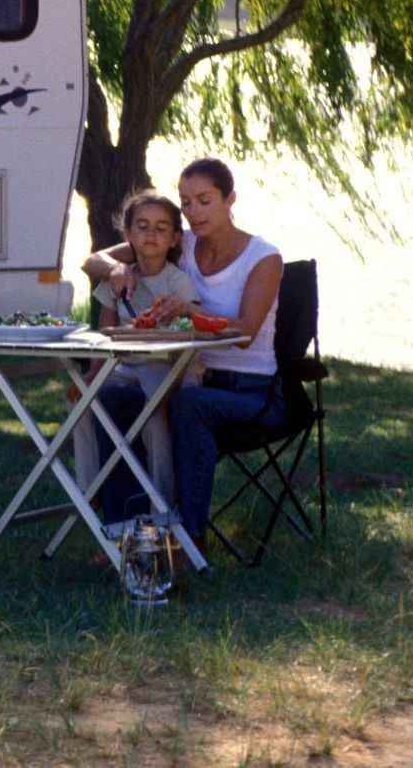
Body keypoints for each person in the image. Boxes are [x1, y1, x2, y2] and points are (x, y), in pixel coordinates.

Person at [82, 158, 283, 547]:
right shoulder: (182, 241)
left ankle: (187, 538)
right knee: (114, 399)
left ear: (230, 200)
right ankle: (125, 529)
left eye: (204, 200)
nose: (193, 212)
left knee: (186, 405)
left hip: (249, 389)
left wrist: (188, 309)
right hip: (186, 372)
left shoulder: (263, 258)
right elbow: (94, 260)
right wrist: (114, 272)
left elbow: (245, 331)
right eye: (186, 202)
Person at [68, 190, 200, 511]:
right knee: (81, 403)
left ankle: (163, 503)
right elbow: (107, 333)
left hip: (167, 366)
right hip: (125, 365)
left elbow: (189, 335)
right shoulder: (118, 279)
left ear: (174, 238)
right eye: (142, 226)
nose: (151, 234)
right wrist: (92, 374)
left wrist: (172, 391)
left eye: (160, 227)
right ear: (128, 235)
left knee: (156, 416)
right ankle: (90, 488)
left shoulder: (177, 282)